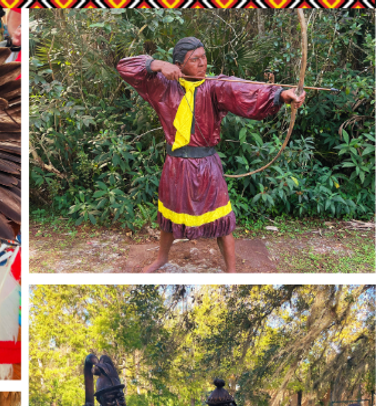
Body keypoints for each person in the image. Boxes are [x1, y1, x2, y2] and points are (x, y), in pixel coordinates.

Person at [116, 38, 306, 273]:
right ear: (178, 65)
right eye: (194, 59)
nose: (202, 63)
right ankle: (161, 259)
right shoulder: (162, 86)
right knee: (168, 219)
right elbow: (124, 66)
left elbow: (246, 90)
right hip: (176, 165)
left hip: (207, 165)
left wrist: (281, 96)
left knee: (223, 222)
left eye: (204, 57)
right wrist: (157, 64)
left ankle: (232, 273)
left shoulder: (216, 86)